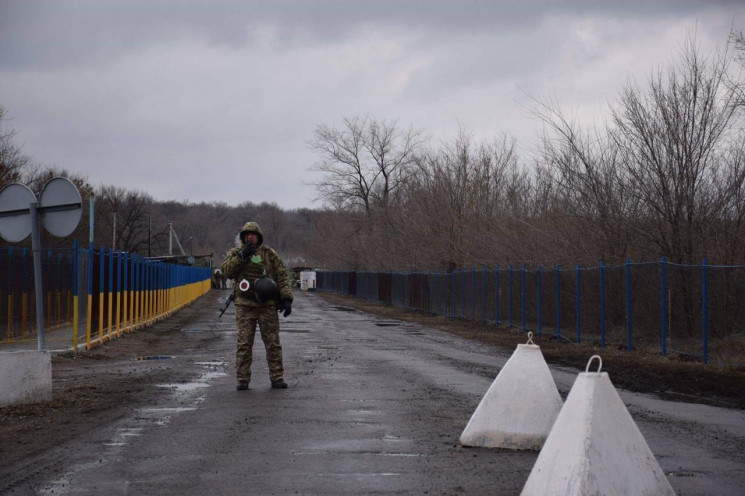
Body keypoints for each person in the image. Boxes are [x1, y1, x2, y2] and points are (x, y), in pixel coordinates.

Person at [221, 221, 293, 390]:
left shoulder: (269, 254)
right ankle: (243, 379)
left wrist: (287, 298)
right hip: (245, 305)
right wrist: (241, 257)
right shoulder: (236, 253)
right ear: (243, 237)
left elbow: (282, 275)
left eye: (252, 234)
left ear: (258, 236)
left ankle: (277, 377)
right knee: (244, 343)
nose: (249, 237)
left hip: (267, 305)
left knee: (273, 342)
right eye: (246, 235)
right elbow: (226, 272)